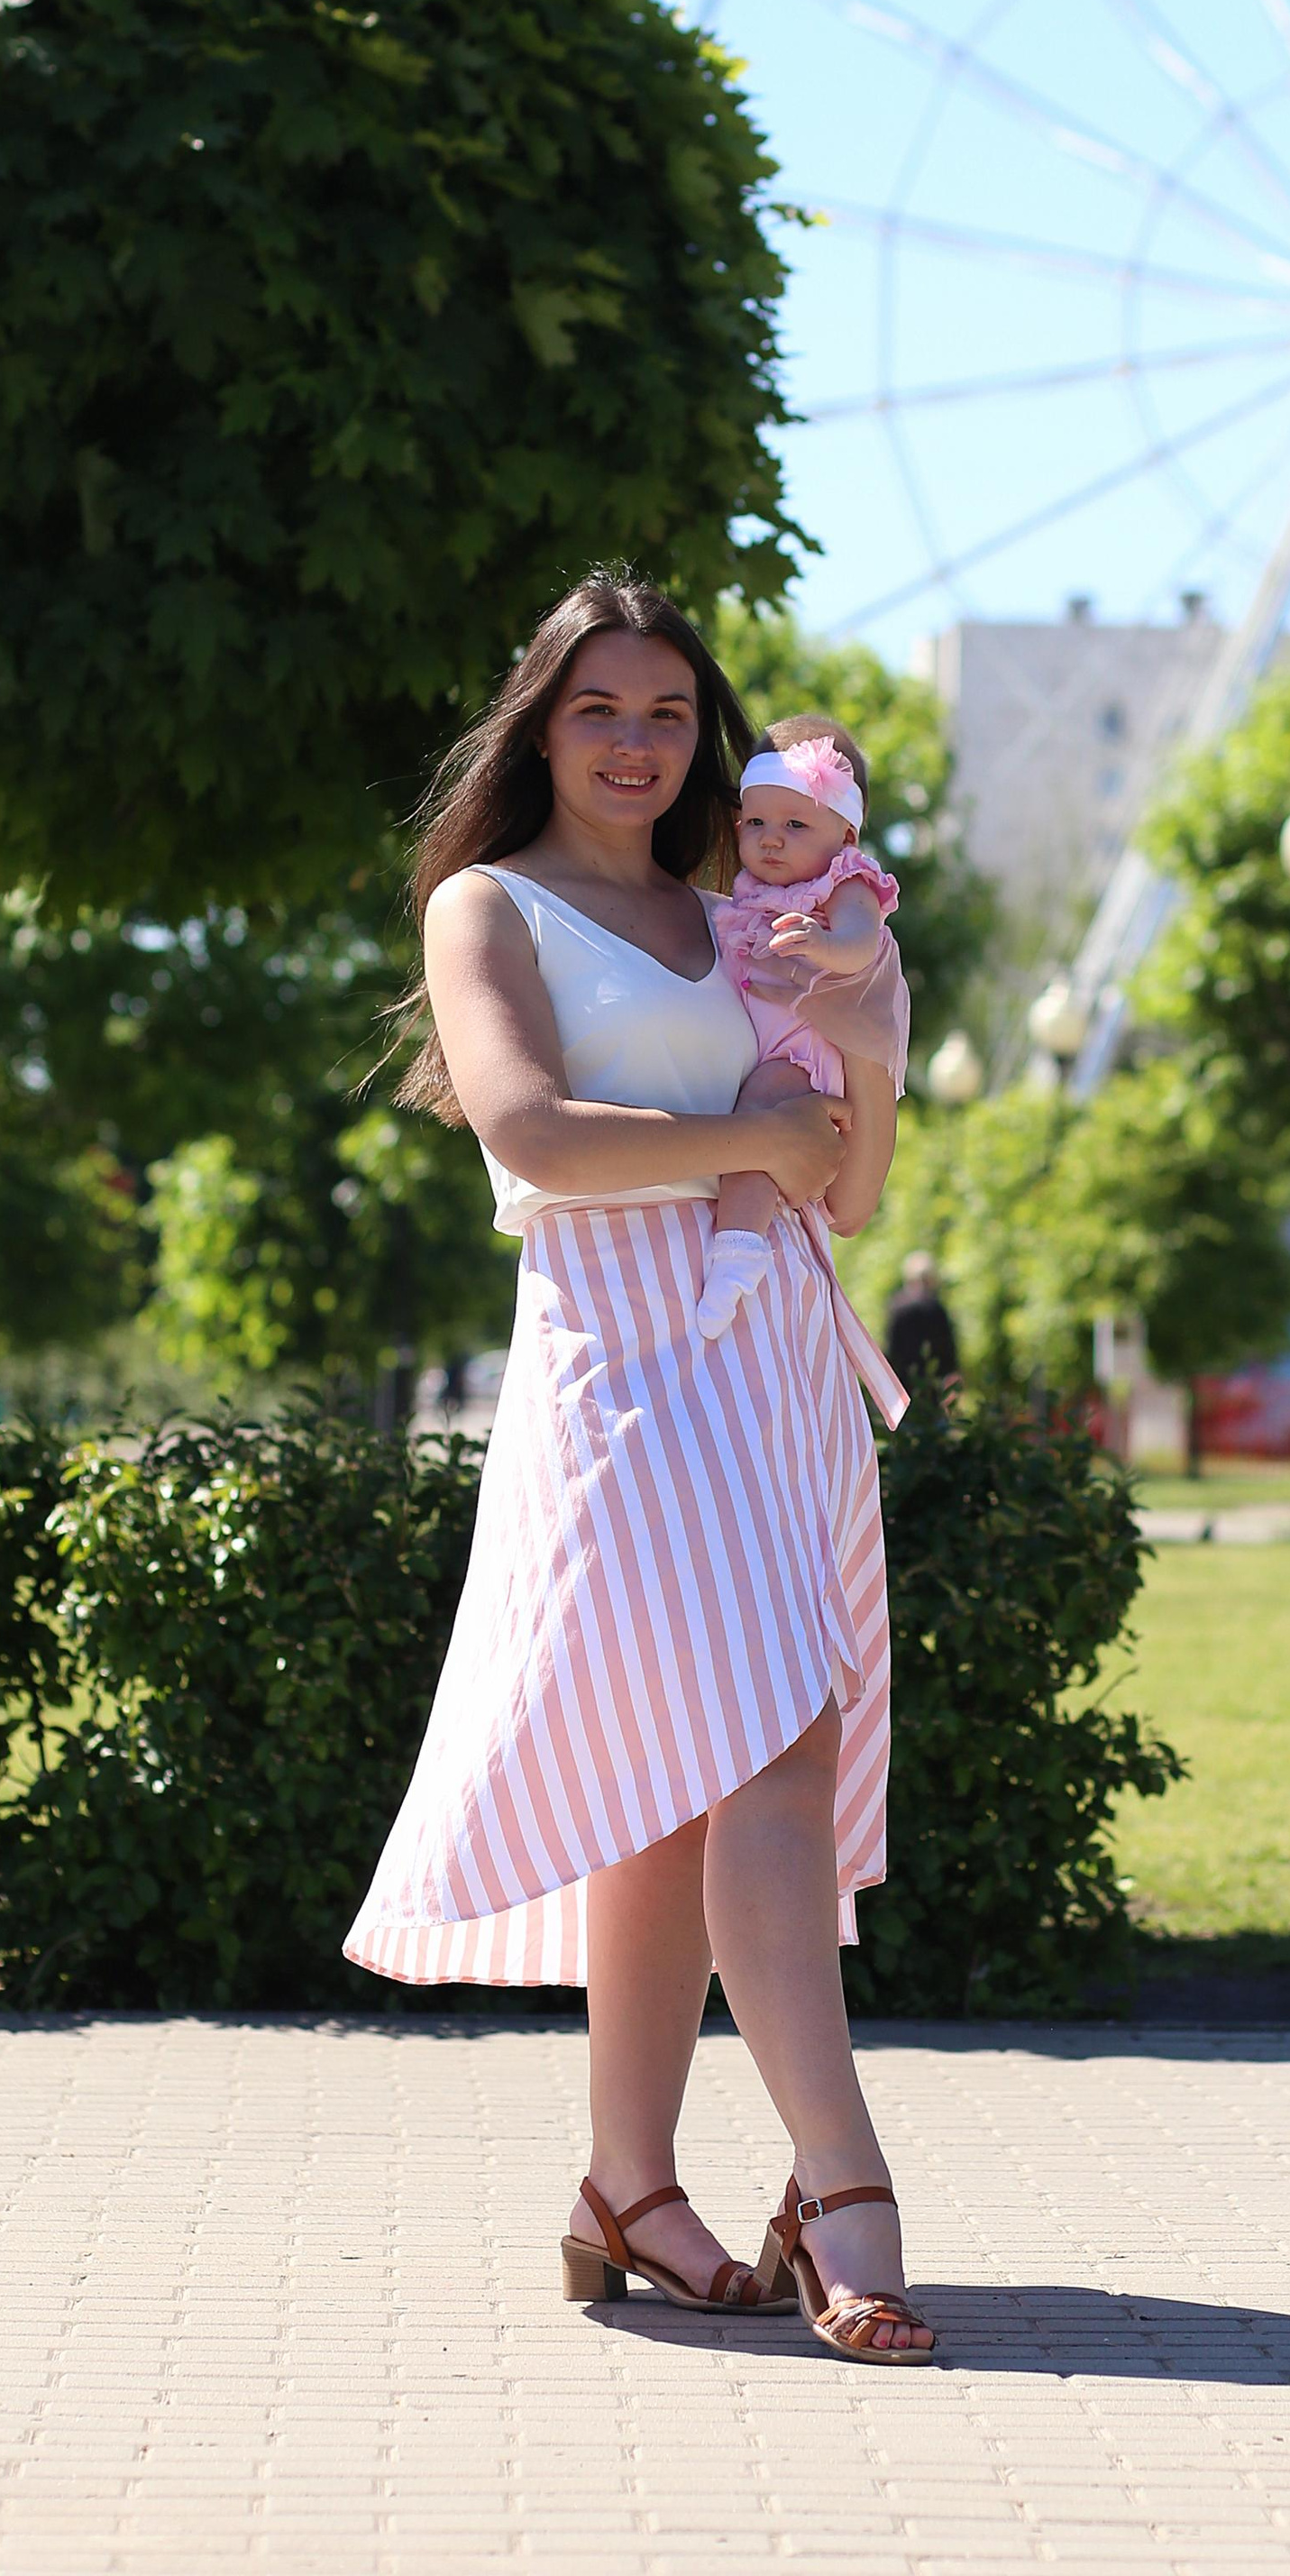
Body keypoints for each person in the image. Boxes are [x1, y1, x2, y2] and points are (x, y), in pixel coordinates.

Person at [343, 573, 937, 2364]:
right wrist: (745, 1134)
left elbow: (845, 1187)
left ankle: (626, 2186)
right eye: (598, 708)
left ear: (709, 740)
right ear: (541, 726)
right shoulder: (487, 906)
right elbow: (529, 1130)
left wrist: (870, 1052)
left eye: (669, 713)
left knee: (682, 1773)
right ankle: (844, 2187)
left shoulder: (741, 911)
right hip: (619, 1361)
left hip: (774, 1356)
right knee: (757, 1741)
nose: (635, 742)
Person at [695, 713, 909, 1342]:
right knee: (755, 1109)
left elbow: (858, 944)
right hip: (774, 1048)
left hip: (806, 1059)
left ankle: (738, 1249)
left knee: (764, 1108)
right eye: (756, 823)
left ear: (845, 833)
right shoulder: (746, 895)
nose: (771, 841)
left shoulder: (845, 883)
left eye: (795, 825)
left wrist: (822, 945)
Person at [883, 1252, 960, 1407]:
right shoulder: (936, 1308)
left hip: (902, 1382)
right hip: (933, 1382)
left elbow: (892, 1347)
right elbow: (947, 1349)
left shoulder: (897, 1306)